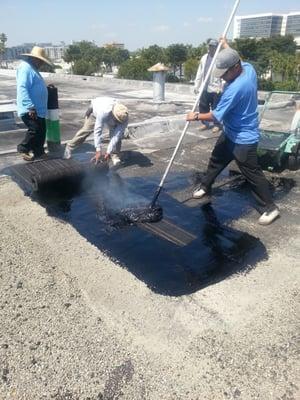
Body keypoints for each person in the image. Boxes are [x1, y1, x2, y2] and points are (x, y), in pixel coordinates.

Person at [187, 41, 279, 225]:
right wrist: (226, 44)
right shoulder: (248, 68)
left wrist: (195, 115)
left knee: (252, 174)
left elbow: (215, 116)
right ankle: (205, 186)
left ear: (235, 68)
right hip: (230, 132)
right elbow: (238, 57)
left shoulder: (237, 88)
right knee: (216, 161)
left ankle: (270, 208)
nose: (222, 78)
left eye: (224, 74)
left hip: (243, 138)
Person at [64, 97, 129, 167]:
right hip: (95, 111)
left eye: (118, 121)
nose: (117, 122)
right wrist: (98, 150)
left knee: (118, 138)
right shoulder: (104, 111)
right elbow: (98, 131)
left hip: (110, 113)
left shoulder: (124, 117)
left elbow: (116, 136)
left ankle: (114, 155)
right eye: (116, 119)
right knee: (86, 130)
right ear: (113, 114)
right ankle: (69, 147)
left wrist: (108, 152)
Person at [16, 46, 53, 161]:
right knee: (35, 129)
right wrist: (30, 106)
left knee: (41, 131)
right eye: (41, 61)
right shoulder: (25, 68)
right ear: (35, 59)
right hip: (31, 109)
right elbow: (22, 87)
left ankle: (39, 152)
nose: (41, 64)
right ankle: (23, 149)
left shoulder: (32, 68)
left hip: (39, 110)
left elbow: (35, 86)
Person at [194, 39, 223, 133]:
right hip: (204, 87)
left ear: (217, 47)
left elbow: (223, 73)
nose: (211, 48)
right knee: (203, 106)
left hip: (216, 88)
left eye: (213, 46)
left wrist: (221, 87)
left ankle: (217, 125)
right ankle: (204, 123)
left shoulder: (220, 58)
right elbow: (199, 72)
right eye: (210, 46)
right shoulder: (204, 58)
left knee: (216, 108)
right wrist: (197, 86)